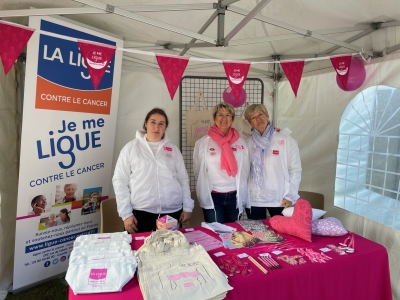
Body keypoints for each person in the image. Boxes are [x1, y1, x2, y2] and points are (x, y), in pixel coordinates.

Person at [113, 108, 194, 233]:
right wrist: (126, 214)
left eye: (161, 123)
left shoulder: (173, 150)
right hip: (140, 212)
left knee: (171, 251)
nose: (157, 127)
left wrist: (187, 207)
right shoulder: (130, 148)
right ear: (145, 124)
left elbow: (183, 179)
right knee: (139, 250)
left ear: (165, 127)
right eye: (153, 122)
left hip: (171, 212)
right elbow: (119, 181)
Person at [193, 102, 250, 224]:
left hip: (235, 196)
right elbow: (197, 169)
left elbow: (245, 170)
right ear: (214, 118)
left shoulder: (241, 142)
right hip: (213, 197)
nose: (224, 118)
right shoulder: (202, 143)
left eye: (228, 115)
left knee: (233, 234)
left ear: (232, 119)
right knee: (216, 234)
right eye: (220, 114)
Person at [244, 104, 302, 219]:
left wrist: (291, 196)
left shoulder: (285, 139)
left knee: (282, 234)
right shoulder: (248, 143)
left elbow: (295, 170)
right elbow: (243, 171)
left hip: (280, 198)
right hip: (255, 198)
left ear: (267, 116)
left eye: (260, 114)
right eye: (253, 118)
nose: (258, 119)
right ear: (250, 123)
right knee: (257, 234)